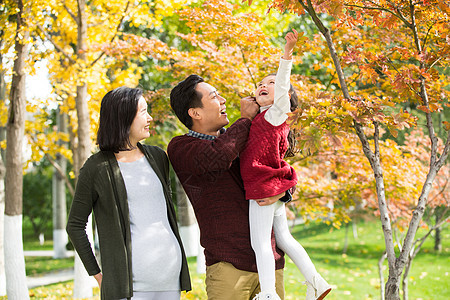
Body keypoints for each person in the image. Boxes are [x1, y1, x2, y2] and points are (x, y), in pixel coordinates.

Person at [167, 75, 287, 300]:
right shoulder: (181, 147)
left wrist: (284, 191)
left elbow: (274, 169)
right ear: (195, 113)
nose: (223, 100)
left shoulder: (241, 138)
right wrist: (245, 120)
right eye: (214, 97)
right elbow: (218, 157)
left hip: (269, 265)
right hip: (228, 267)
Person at [66, 87, 191, 300]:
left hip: (170, 279)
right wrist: (97, 274)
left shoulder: (158, 157)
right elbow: (75, 225)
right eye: (143, 112)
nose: (150, 118)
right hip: (128, 288)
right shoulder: (96, 167)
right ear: (123, 117)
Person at [240, 30, 331, 300]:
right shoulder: (261, 118)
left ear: (286, 97)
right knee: (283, 238)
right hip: (271, 186)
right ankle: (316, 280)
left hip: (263, 187)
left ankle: (268, 294)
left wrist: (287, 54)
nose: (264, 85)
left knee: (260, 243)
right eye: (260, 84)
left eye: (272, 83)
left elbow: (282, 85)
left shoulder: (276, 114)